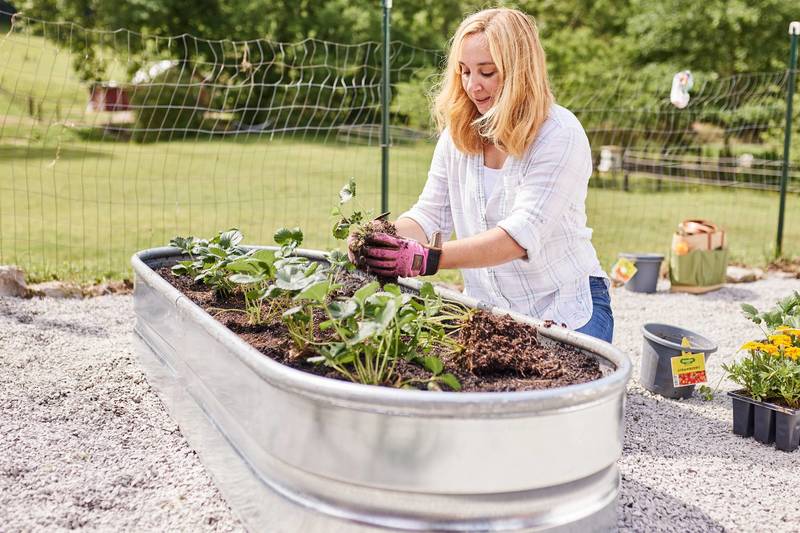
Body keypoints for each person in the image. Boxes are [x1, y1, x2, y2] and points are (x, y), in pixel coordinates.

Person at [358, 7, 613, 343]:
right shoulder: (458, 133)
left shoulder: (559, 134)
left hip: (566, 306)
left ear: (520, 72)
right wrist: (382, 238)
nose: (472, 86)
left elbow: (518, 237)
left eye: (487, 73)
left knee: (552, 391)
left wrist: (428, 260)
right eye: (464, 72)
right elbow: (430, 214)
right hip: (490, 311)